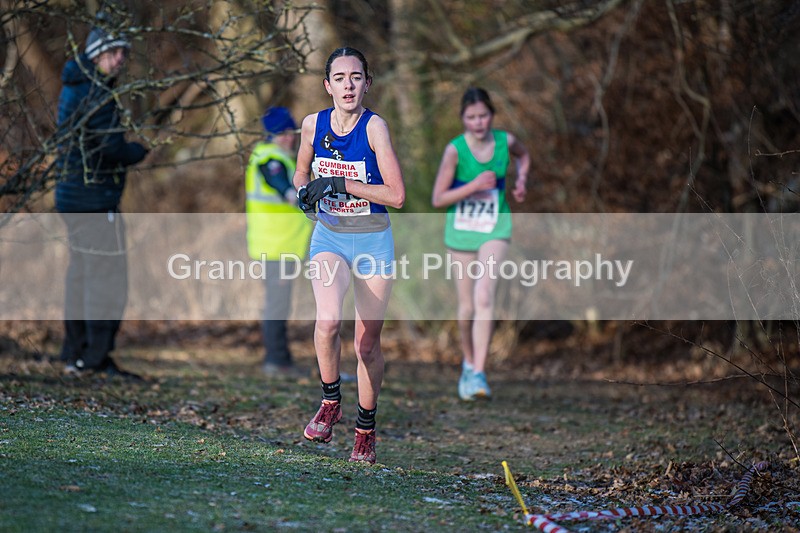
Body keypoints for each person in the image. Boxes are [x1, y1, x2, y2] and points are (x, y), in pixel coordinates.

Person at [293, 47, 405, 464]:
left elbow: (396, 195)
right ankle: (329, 402)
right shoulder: (312, 125)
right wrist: (305, 193)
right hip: (331, 238)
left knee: (366, 346)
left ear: (367, 84)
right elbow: (301, 172)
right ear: (327, 86)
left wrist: (344, 186)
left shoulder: (375, 128)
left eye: (356, 77)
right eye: (339, 78)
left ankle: (365, 428)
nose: (348, 85)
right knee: (327, 323)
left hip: (373, 240)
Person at [54, 12, 148, 378]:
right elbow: (109, 146)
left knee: (80, 274)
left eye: (124, 52)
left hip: (71, 197)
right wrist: (136, 151)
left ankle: (74, 354)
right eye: (114, 52)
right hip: (93, 199)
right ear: (96, 54)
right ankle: (94, 359)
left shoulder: (75, 85)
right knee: (107, 278)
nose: (121, 58)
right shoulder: (95, 92)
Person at [431, 87, 530, 401]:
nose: (478, 122)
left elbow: (524, 155)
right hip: (460, 231)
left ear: (492, 116)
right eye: (471, 117)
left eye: (484, 115)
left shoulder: (505, 142)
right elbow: (438, 198)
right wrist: (473, 185)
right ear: (462, 119)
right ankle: (468, 362)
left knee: (485, 295)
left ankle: (479, 373)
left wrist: (521, 180)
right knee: (467, 307)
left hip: (495, 227)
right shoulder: (455, 151)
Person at [245, 106, 312, 377]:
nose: (288, 138)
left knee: (280, 303)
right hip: (276, 247)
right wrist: (295, 196)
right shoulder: (270, 159)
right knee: (277, 304)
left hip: (281, 245)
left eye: (290, 132)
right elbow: (280, 184)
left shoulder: (276, 156)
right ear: (270, 135)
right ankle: (277, 361)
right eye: (281, 133)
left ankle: (280, 359)